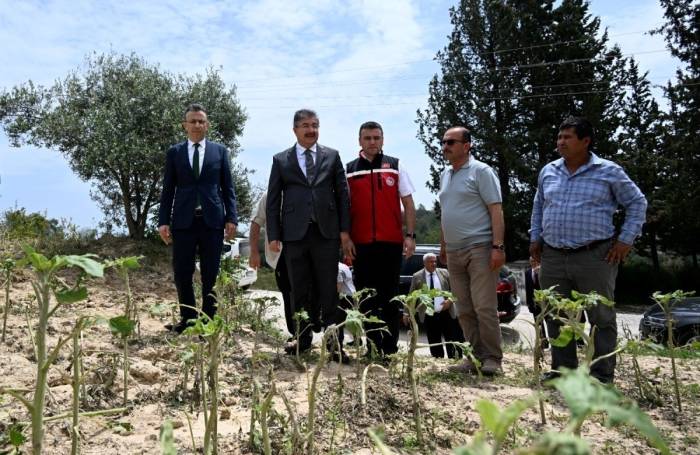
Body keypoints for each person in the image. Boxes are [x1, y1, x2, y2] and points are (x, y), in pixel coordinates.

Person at [530, 116, 647, 384]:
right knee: (557, 315)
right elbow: (538, 206)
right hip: (554, 255)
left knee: (600, 317)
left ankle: (600, 376)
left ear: (585, 141)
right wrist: (535, 238)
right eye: (559, 137)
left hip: (595, 255)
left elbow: (637, 203)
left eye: (567, 137)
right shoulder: (549, 171)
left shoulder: (608, 171)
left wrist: (625, 240)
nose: (561, 142)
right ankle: (563, 372)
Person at [266, 109, 352, 357]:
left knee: (328, 288)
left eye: (315, 125)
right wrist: (274, 234)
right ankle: (302, 340)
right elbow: (273, 200)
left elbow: (343, 196)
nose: (311, 130)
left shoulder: (332, 156)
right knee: (298, 289)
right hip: (294, 235)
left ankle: (334, 343)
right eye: (305, 125)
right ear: (295, 129)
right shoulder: (281, 160)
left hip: (326, 234)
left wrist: (344, 231)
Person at [158, 103, 238, 333]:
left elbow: (228, 187)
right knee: (182, 271)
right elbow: (168, 189)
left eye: (201, 121)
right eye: (192, 121)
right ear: (185, 125)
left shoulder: (220, 151)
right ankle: (188, 319)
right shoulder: (174, 153)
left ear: (207, 125)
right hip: (183, 221)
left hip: (212, 221)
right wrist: (163, 221)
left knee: (211, 273)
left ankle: (209, 321)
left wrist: (231, 217)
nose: (197, 124)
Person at [345, 121, 416, 358]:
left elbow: (408, 202)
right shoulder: (350, 170)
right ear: (360, 141)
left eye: (376, 138)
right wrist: (345, 238)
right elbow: (343, 209)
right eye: (367, 138)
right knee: (366, 298)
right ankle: (372, 348)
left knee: (390, 298)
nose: (372, 142)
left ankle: (390, 348)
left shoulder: (395, 166)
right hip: (362, 245)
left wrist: (410, 235)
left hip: (391, 244)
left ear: (383, 140)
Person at [439, 126, 505, 376]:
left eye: (451, 142)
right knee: (463, 308)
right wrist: (443, 246)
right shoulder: (446, 174)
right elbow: (446, 212)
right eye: (444, 142)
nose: (445, 146)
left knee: (484, 306)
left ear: (467, 146)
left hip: (480, 248)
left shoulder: (482, 171)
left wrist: (498, 247)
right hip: (454, 252)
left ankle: (493, 358)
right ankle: (475, 356)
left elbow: (496, 210)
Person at [248, 193, 294, 340]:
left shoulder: (305, 188)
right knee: (287, 293)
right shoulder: (269, 196)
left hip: (306, 251)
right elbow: (256, 223)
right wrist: (254, 252)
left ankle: (311, 330)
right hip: (280, 254)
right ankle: (297, 335)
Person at [409, 253, 463, 359]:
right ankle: (438, 359)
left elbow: (456, 289)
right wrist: (407, 313)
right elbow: (411, 296)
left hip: (446, 312)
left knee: (452, 337)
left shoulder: (445, 273)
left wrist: (450, 301)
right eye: (431, 261)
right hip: (429, 313)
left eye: (435, 261)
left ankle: (455, 359)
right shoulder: (417, 276)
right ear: (424, 263)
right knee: (434, 338)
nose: (434, 264)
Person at [524, 256, 548, 349]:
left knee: (549, 322)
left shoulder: (543, 271)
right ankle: (543, 343)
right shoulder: (528, 273)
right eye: (531, 261)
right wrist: (529, 303)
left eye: (534, 260)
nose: (533, 262)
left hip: (545, 303)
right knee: (538, 324)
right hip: (534, 304)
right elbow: (528, 289)